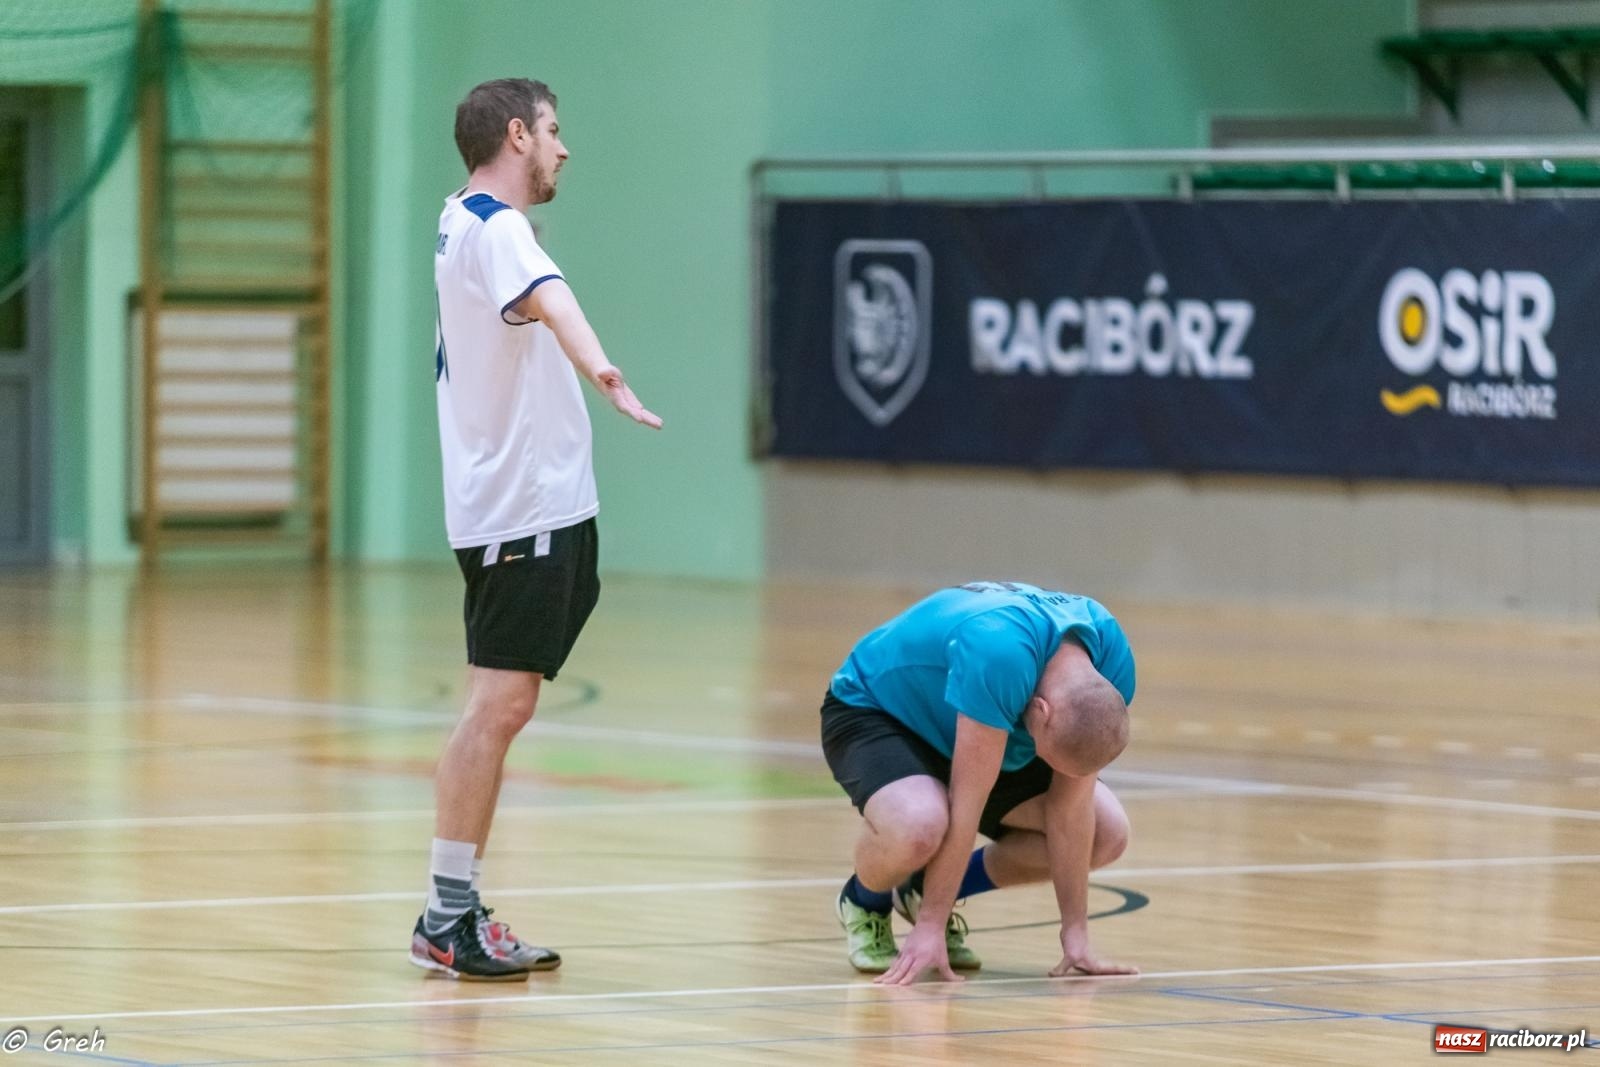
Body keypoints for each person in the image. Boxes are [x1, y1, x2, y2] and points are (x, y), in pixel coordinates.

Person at [411, 77, 662, 981]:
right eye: (554, 131)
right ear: (516, 135)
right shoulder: (500, 227)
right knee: (499, 706)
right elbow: (552, 303)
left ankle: (454, 906)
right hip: (519, 507)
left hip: (524, 502)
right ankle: (447, 913)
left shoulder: (459, 216)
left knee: (502, 705)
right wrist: (605, 371)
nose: (564, 148)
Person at [823, 581, 1138, 985]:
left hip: (972, 721)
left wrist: (1075, 934)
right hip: (878, 711)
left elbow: (1069, 807)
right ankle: (865, 901)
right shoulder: (999, 656)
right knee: (920, 824)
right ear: (1041, 712)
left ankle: (920, 890)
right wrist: (931, 927)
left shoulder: (1110, 666)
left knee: (1106, 833)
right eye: (1047, 755)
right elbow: (967, 806)